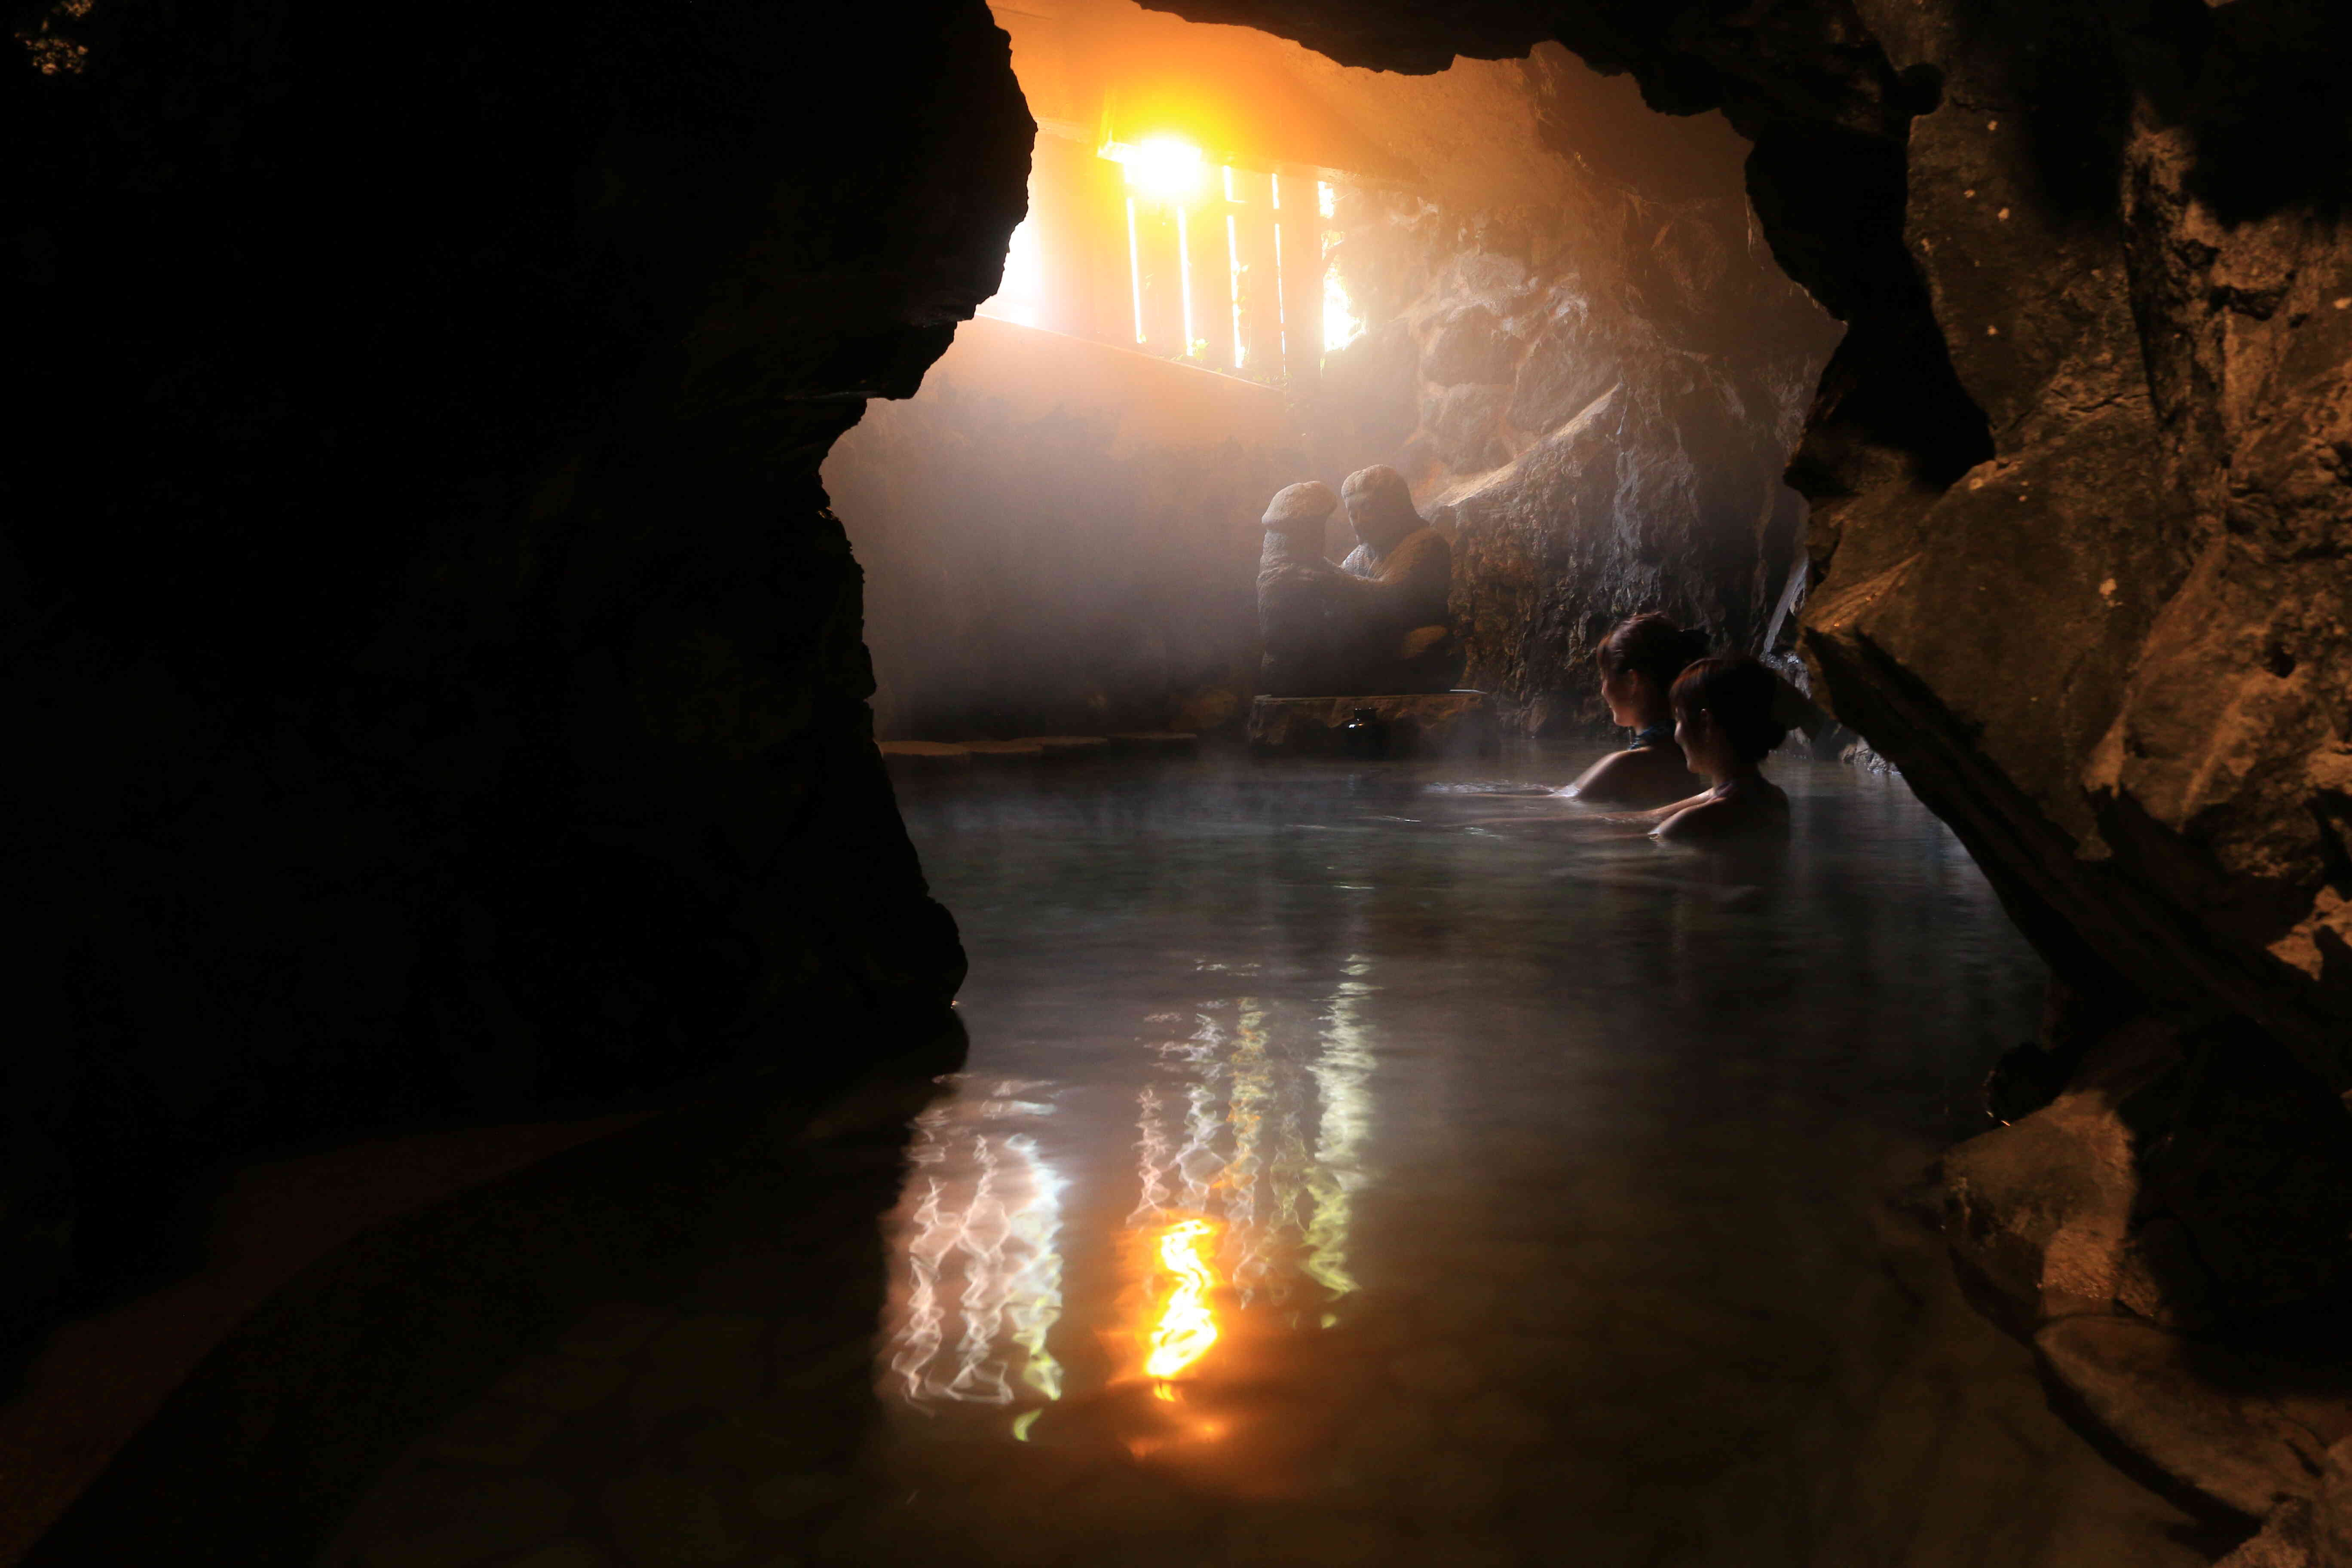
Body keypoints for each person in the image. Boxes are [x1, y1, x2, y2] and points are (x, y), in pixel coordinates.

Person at [1560, 612, 1710, 805]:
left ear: (1632, 681)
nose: (1603, 691)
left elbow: (1559, 806)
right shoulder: (1683, 757)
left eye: (1604, 678)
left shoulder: (1626, 766)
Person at [1335, 465, 1459, 692]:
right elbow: (1335, 595)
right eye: (1352, 513)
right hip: (1376, 646)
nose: (1359, 521)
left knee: (1426, 641)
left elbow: (1391, 596)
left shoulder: (1426, 543)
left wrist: (1332, 580)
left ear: (1395, 509)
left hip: (1410, 648)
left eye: (1368, 509)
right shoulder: (1362, 554)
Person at [1648, 655, 1791, 841]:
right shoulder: (1773, 798)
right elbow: (1647, 818)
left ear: (1706, 722)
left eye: (1678, 720)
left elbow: (1639, 847)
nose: (1676, 735)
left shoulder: (1696, 819)